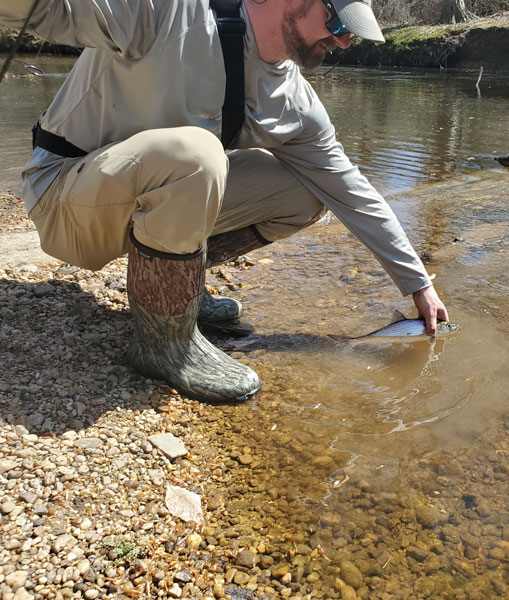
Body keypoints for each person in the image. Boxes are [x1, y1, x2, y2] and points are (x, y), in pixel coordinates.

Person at [0, 0, 449, 403]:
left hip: (141, 205)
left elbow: (353, 192)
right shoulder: (167, 11)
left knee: (307, 192)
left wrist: (419, 286)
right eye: (337, 20)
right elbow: (48, 10)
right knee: (198, 155)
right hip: (65, 201)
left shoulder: (296, 104)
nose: (344, 40)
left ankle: (179, 287)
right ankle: (164, 345)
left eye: (353, 30)